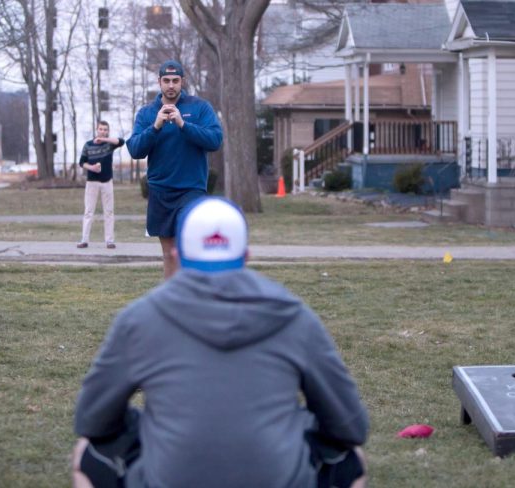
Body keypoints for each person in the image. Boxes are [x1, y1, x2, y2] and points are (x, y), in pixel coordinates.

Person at [72, 197, 369, 488]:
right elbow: (350, 426)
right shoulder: (295, 317)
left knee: (88, 451)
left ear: (176, 255)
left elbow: (91, 420)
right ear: (246, 256)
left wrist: (147, 424)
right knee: (350, 458)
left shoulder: (139, 319)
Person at [126, 60, 223, 278]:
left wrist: (183, 124)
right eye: (167, 81)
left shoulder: (199, 108)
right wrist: (156, 127)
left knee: (187, 248)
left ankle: (193, 297)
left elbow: (215, 140)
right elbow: (135, 150)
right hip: (160, 190)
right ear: (159, 82)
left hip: (191, 189)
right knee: (169, 253)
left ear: (183, 81)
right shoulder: (147, 113)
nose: (171, 85)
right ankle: (172, 301)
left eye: (175, 81)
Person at [77, 120, 124, 249]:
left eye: (105, 129)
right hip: (92, 182)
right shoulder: (88, 145)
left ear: (107, 131)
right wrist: (91, 168)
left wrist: (106, 139)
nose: (103, 131)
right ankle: (84, 239)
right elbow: (82, 162)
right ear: (96, 130)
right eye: (101, 129)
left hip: (107, 182)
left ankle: (109, 240)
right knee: (88, 211)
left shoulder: (109, 145)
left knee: (109, 212)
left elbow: (121, 141)